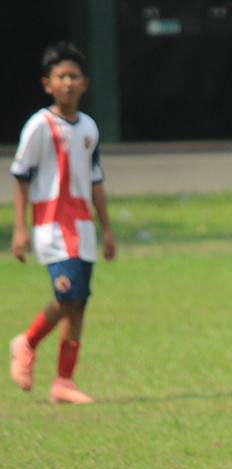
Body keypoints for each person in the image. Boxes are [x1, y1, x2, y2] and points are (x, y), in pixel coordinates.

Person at [9, 42, 115, 404]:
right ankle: (27, 341)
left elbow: (96, 180)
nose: (68, 82)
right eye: (61, 76)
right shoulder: (39, 126)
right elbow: (22, 176)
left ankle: (63, 382)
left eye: (74, 76)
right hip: (52, 226)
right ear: (47, 83)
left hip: (83, 227)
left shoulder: (88, 127)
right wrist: (20, 228)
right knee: (67, 295)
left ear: (85, 83)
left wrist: (107, 229)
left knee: (79, 303)